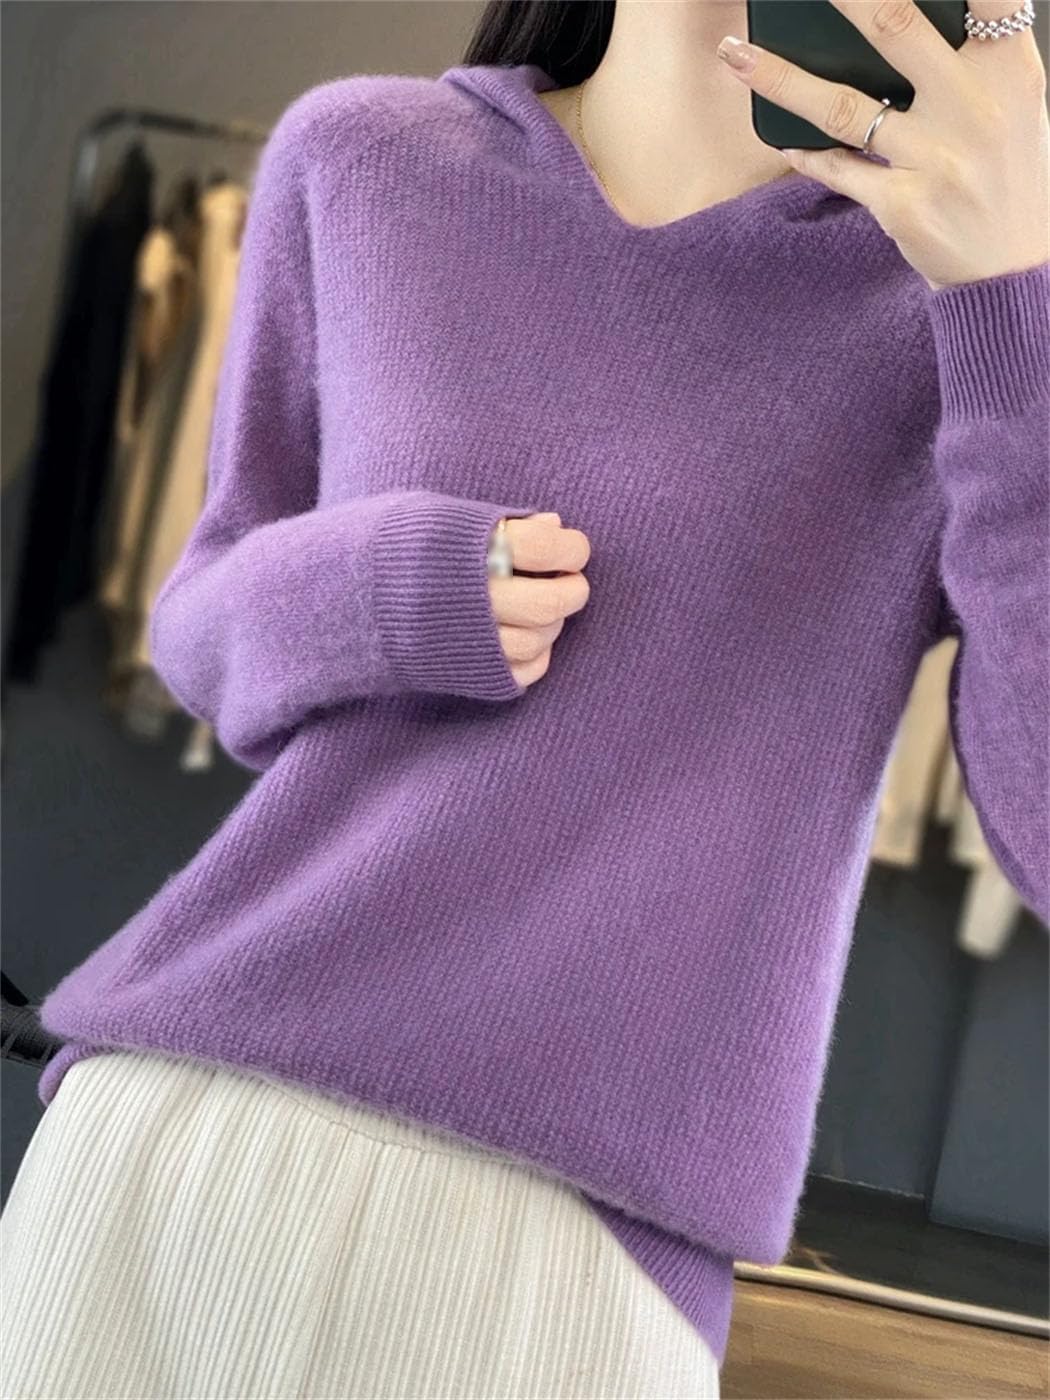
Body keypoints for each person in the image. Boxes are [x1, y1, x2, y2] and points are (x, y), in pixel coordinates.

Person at [3, 1, 1047, 1396]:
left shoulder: (963, 298)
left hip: (581, 1248)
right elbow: (201, 629)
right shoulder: (367, 157)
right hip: (180, 1134)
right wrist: (391, 585)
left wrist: (1011, 301)